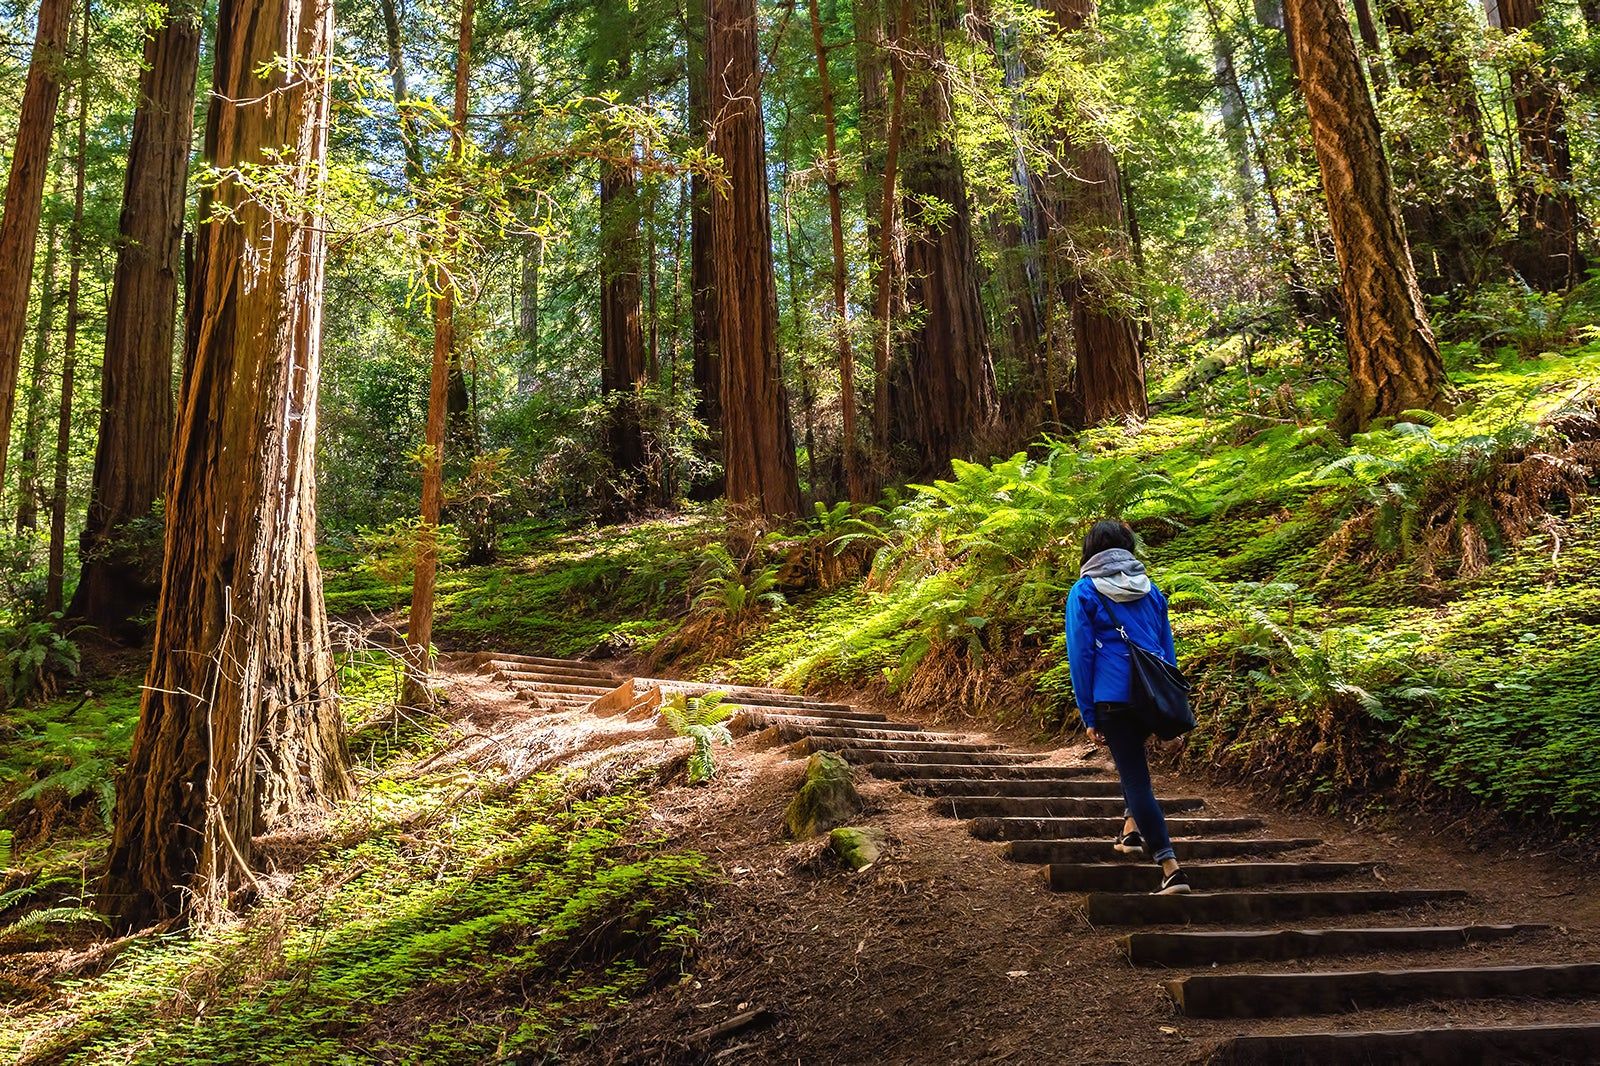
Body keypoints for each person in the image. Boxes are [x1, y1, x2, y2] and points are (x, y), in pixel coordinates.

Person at [1063, 519, 1190, 895]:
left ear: (1089, 551)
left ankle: (1170, 867)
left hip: (1113, 697)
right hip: (1153, 694)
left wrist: (1088, 712)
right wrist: (1170, 699)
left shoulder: (1084, 591)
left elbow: (1081, 656)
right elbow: (1167, 650)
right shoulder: (1151, 592)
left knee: (1135, 777)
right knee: (1131, 765)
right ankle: (1131, 832)